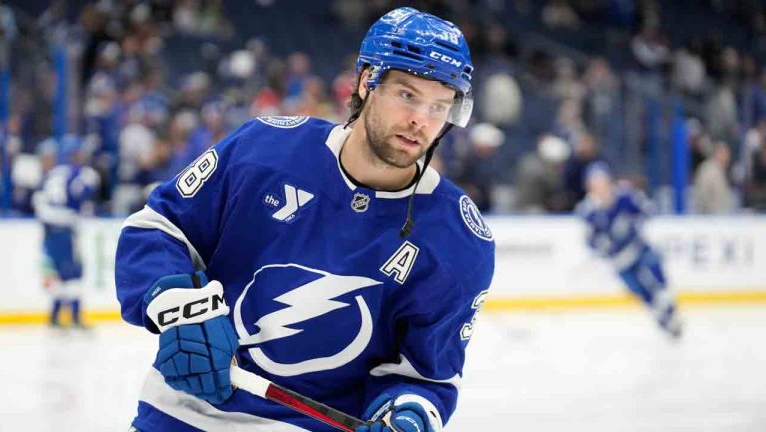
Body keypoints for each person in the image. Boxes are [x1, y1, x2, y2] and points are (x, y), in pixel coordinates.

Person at [115, 7, 495, 432]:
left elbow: (427, 377)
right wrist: (180, 308)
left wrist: (407, 415)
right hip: (180, 416)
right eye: (408, 95)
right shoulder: (265, 150)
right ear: (367, 81)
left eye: (440, 106)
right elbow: (158, 229)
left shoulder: (457, 239)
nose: (421, 121)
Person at [576, 162, 682, 339]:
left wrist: (633, 221)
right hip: (620, 261)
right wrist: (602, 244)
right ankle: (663, 320)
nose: (599, 185)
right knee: (642, 293)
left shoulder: (625, 196)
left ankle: (670, 311)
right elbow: (590, 240)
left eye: (601, 180)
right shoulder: (588, 210)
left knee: (657, 275)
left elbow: (648, 210)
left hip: (638, 248)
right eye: (594, 181)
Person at [33, 135, 100, 329]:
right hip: (64, 227)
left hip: (51, 228)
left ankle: (56, 315)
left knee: (61, 273)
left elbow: (39, 201)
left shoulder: (53, 173)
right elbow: (80, 197)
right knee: (73, 273)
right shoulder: (79, 174)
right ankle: (74, 315)